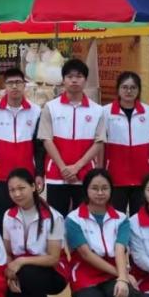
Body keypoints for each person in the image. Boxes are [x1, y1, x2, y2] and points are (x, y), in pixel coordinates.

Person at [65, 169, 137, 297]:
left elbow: (120, 249)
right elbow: (86, 254)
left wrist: (123, 279)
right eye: (94, 188)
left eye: (105, 188)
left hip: (113, 268)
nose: (100, 193)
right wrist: (122, 275)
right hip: (85, 273)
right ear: (86, 190)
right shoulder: (73, 219)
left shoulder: (121, 218)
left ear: (111, 190)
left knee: (131, 293)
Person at [1, 168, 68, 297]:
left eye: (21, 188)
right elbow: (7, 252)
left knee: (28, 272)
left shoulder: (54, 217)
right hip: (22, 270)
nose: (17, 194)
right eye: (12, 190)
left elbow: (53, 258)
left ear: (33, 187)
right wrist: (10, 273)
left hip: (53, 274)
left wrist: (21, 262)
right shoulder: (8, 216)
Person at [41, 59, 106, 215]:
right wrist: (63, 168)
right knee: (56, 218)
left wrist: (77, 167)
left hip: (85, 174)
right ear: (63, 80)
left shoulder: (98, 110)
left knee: (84, 218)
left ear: (85, 80)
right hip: (56, 173)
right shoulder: (51, 107)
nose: (74, 80)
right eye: (70, 76)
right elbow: (46, 139)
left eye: (79, 76)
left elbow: (99, 142)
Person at [0, 67, 43, 234]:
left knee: (29, 218)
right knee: (2, 218)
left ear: (24, 85)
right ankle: (3, 249)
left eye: (18, 82)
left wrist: (39, 173)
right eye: (10, 83)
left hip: (27, 175)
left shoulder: (36, 111)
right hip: (1, 175)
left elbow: (39, 147)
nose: (14, 86)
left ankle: (28, 248)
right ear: (5, 86)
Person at [103, 72, 149, 215]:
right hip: (115, 175)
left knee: (141, 218)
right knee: (115, 218)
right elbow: (100, 143)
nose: (129, 91)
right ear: (118, 89)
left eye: (133, 87)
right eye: (124, 87)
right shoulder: (105, 112)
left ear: (139, 90)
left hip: (142, 176)